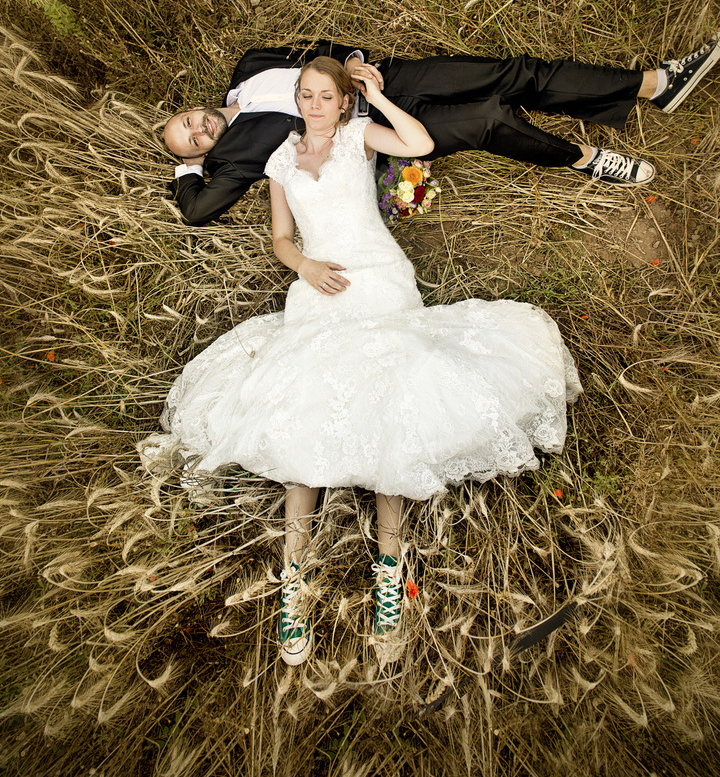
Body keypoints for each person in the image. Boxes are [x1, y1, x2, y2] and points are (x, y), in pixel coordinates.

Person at [140, 57, 583, 667]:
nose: (314, 104)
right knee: (305, 411)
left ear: (342, 102)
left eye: (325, 95)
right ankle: (293, 588)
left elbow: (419, 143)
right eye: (306, 94)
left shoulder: (357, 136)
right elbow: (280, 238)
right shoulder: (279, 160)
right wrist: (306, 268)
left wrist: (376, 94)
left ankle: (389, 585)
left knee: (389, 411)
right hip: (319, 287)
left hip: (379, 281)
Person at [162, 37, 720, 226]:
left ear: (194, 107)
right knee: (490, 119)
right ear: (201, 153)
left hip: (390, 78)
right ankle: (581, 158)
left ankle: (655, 85)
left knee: (515, 71)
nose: (199, 129)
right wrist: (189, 170)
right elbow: (198, 210)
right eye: (192, 140)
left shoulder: (247, 70)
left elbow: (318, 51)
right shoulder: (233, 156)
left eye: (189, 121)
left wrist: (353, 64)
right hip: (376, 125)